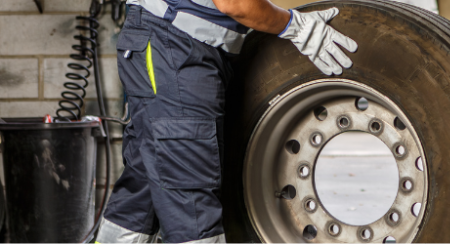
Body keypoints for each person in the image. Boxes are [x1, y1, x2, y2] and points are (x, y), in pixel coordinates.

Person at [94, 0, 356, 242]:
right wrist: (293, 25)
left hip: (175, 44)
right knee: (192, 201)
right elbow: (235, 4)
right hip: (175, 46)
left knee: (144, 189)